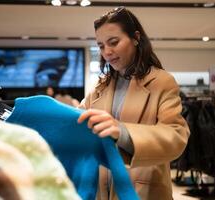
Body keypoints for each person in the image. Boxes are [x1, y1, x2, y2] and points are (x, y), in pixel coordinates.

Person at [77, 6, 190, 200]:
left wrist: (123, 132)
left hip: (143, 191)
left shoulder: (161, 81)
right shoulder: (100, 86)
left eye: (113, 42)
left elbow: (176, 135)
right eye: (101, 45)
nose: (107, 52)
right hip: (101, 190)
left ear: (136, 38)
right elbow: (76, 119)